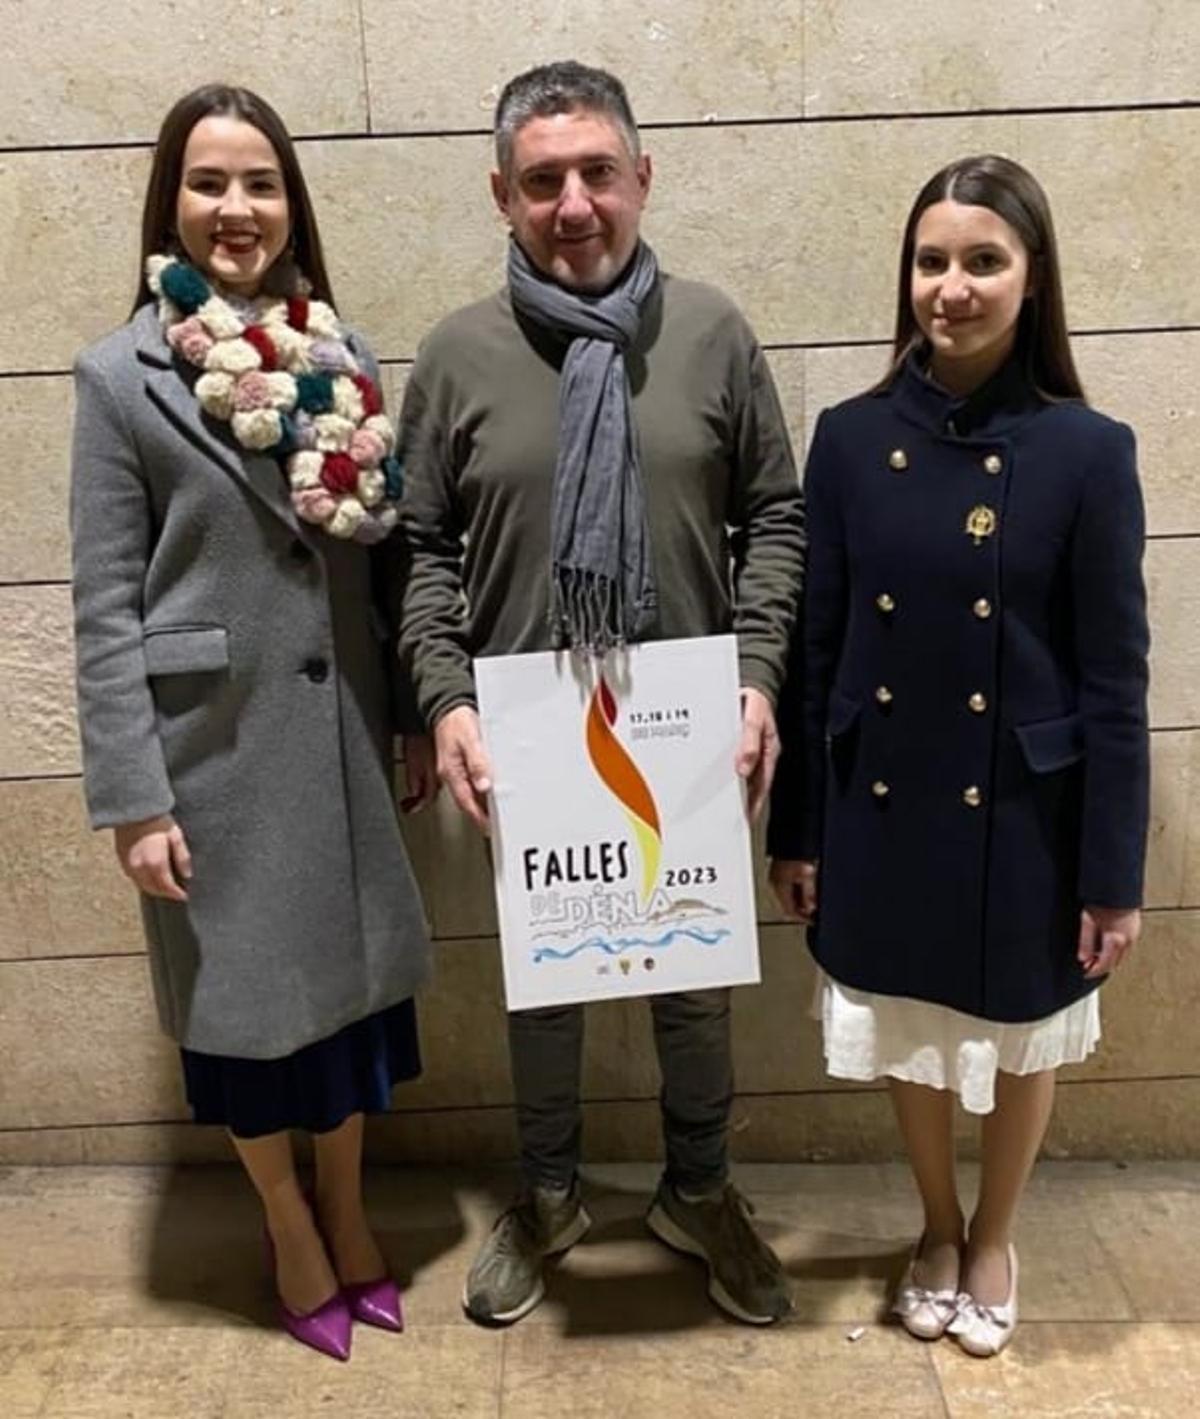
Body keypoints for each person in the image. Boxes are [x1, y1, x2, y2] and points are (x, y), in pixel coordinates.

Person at [399, 61, 805, 1327]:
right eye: (541, 181)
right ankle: (549, 1194)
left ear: (643, 176)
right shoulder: (460, 355)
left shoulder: (715, 334)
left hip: (687, 723)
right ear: (502, 196)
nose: (573, 204)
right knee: (549, 987)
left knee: (693, 983)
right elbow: (419, 548)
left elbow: (776, 516)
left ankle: (698, 1190)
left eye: (596, 173)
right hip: (532, 729)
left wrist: (755, 677)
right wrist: (444, 699)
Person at [69, 84, 434, 1361]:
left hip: (338, 746)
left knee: (344, 1012)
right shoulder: (119, 379)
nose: (238, 209)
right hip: (210, 755)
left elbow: (379, 569)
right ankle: (286, 1221)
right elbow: (106, 601)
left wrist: (405, 720)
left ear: (293, 204)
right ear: (171, 199)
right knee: (249, 1019)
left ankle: (346, 1202)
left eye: (261, 183)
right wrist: (132, 797)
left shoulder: (344, 359)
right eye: (211, 182)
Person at [768, 154, 1149, 1357]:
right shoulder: (847, 438)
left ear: (1031, 282)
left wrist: (1112, 871)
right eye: (932, 261)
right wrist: (799, 830)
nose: (953, 286)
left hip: (1029, 809)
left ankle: (994, 1234)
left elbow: (1114, 679)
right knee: (910, 1027)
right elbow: (817, 644)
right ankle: (934, 1226)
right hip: (880, 793)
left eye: (983, 260)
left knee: (1024, 1029)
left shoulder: (1090, 451)